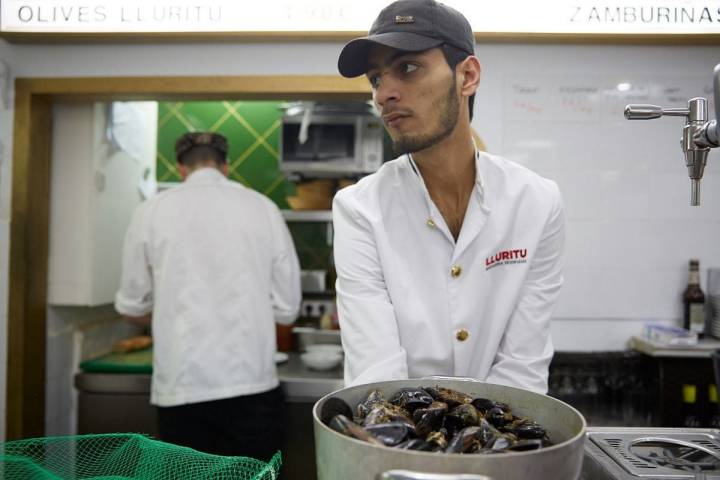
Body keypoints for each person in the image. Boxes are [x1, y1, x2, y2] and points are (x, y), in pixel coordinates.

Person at [333, 0, 564, 393]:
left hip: (502, 444)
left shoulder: (536, 203)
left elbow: (522, 370)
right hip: (396, 448)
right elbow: (378, 376)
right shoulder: (360, 209)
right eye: (375, 78)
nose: (384, 93)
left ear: (468, 76)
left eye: (407, 68)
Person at [115, 132, 301, 460]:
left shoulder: (150, 211)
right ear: (225, 166)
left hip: (181, 390)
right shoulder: (263, 207)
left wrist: (169, 311)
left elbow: (131, 306)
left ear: (181, 169)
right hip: (252, 387)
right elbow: (287, 310)